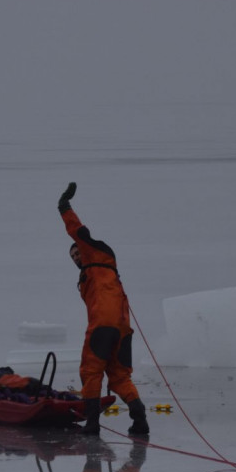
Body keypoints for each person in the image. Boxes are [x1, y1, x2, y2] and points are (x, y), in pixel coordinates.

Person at [56, 183, 149, 436]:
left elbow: (77, 231)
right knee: (119, 376)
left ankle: (93, 424)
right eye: (73, 257)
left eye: (78, 253)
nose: (76, 257)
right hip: (122, 327)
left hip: (104, 324)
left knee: (90, 370)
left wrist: (64, 207)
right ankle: (139, 418)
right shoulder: (97, 272)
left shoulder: (96, 255)